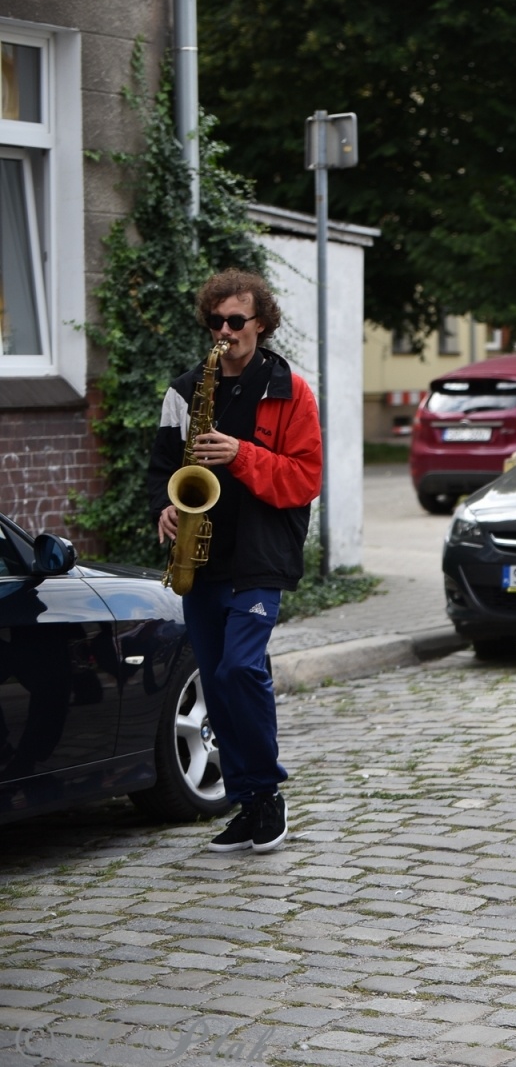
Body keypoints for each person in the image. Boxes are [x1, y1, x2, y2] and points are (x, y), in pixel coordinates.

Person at [147, 269, 322, 855]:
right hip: (200, 556)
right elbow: (161, 469)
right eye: (215, 322)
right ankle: (247, 804)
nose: (224, 332)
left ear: (261, 323)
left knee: (240, 671)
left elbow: (304, 479)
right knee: (216, 684)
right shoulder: (184, 392)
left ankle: (267, 794)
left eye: (236, 321)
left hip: (260, 554)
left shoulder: (291, 391)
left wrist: (241, 454)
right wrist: (164, 508)